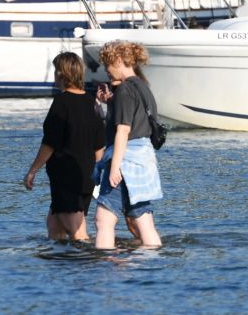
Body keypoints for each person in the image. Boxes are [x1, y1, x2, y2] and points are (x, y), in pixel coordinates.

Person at [23, 51, 102, 241]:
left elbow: (50, 142)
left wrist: (32, 171)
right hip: (87, 176)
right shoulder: (91, 102)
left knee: (77, 233)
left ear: (62, 74)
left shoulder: (61, 102)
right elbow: (100, 145)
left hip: (67, 178)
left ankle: (92, 263)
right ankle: (59, 265)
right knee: (54, 225)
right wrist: (99, 173)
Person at [93, 41, 165, 249]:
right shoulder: (143, 86)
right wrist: (110, 103)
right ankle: (152, 261)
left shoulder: (124, 90)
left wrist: (114, 167)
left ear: (117, 60)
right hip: (144, 161)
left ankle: (105, 263)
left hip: (126, 161)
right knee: (144, 221)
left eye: (107, 64)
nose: (105, 69)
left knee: (104, 220)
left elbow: (123, 130)